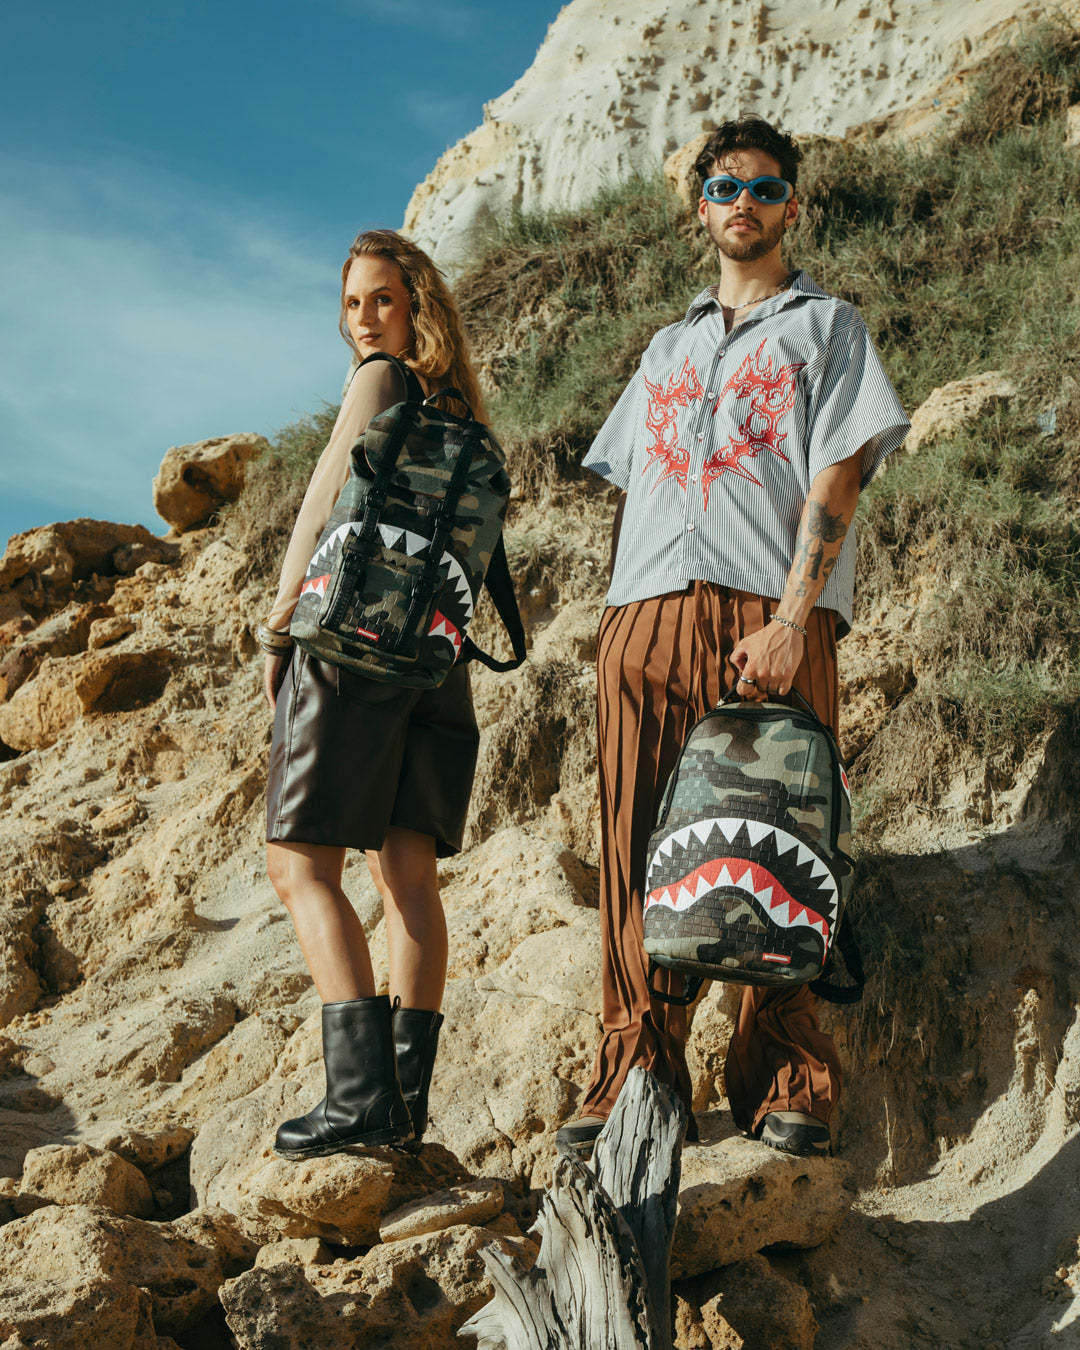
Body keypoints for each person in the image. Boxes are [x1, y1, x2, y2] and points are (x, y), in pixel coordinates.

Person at [557, 117, 909, 1160]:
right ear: (699, 208)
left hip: (766, 615)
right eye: (723, 187)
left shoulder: (828, 327)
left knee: (778, 837)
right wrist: (617, 625)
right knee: (636, 850)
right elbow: (635, 487)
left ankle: (784, 1071)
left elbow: (837, 476)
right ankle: (637, 1069)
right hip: (645, 618)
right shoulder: (665, 348)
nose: (742, 202)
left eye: (762, 186)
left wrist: (795, 620)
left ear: (792, 204)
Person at [257, 229, 487, 1159]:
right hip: (434, 660)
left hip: (353, 645)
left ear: (415, 304)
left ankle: (357, 1100)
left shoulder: (379, 382)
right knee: (408, 879)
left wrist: (281, 622)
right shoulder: (456, 405)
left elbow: (324, 503)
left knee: (298, 864)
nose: (364, 320)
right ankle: (404, 1107)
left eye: (382, 299)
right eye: (352, 303)